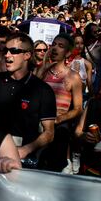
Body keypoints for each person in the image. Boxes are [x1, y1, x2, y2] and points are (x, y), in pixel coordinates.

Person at [0, 32, 56, 169]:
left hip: (23, 161)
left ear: (27, 55)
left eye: (14, 51)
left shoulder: (42, 90)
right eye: (6, 50)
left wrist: (25, 150)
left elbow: (49, 133)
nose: (7, 55)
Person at [39, 33, 83, 171]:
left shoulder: (73, 77)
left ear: (68, 53)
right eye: (54, 44)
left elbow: (78, 108)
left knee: (54, 169)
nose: (55, 48)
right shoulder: (42, 71)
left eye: (61, 46)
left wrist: (59, 119)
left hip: (58, 130)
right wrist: (43, 67)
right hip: (37, 126)